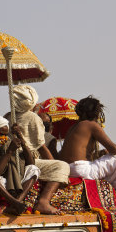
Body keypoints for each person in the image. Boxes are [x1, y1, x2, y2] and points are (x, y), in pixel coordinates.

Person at [8, 85, 70, 214]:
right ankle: (44, 202)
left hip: (10, 160)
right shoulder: (33, 117)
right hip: (27, 160)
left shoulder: (7, 116)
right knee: (62, 166)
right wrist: (54, 165)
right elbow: (41, 147)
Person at [59, 95, 116, 189]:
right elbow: (114, 150)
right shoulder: (92, 125)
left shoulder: (72, 127)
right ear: (97, 113)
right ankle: (114, 187)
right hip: (81, 171)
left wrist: (100, 154)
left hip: (68, 170)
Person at [0, 116, 40, 215]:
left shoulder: (9, 143)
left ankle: (18, 201)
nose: (5, 138)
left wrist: (20, 137)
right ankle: (14, 202)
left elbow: (30, 162)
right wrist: (9, 151)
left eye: (6, 135)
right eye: (1, 135)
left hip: (17, 180)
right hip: (1, 182)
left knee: (34, 169)